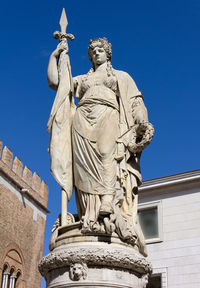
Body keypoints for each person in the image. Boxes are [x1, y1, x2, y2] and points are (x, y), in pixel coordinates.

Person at [47, 38, 154, 256]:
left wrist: (141, 120)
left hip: (108, 115)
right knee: (82, 170)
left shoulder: (120, 76)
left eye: (100, 50)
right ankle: (89, 214)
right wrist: (56, 55)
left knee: (108, 153)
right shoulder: (83, 79)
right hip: (82, 120)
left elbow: (135, 102)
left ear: (108, 54)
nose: (96, 53)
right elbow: (56, 83)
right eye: (93, 51)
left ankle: (107, 200)